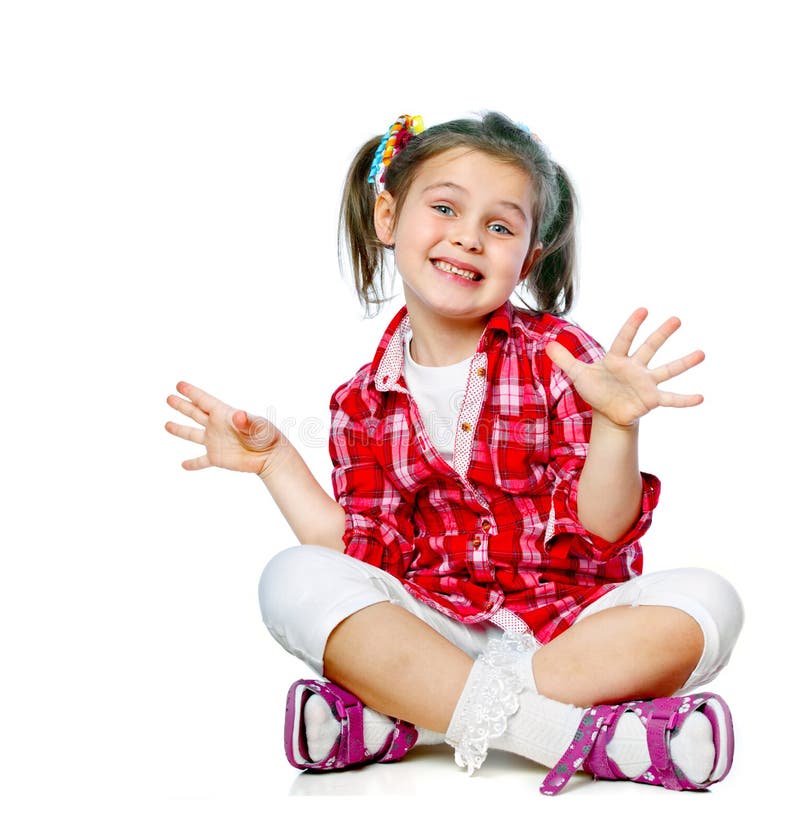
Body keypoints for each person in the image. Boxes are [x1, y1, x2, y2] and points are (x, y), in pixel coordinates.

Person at [165, 112, 744, 794]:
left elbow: (605, 530)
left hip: (564, 632)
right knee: (290, 578)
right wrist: (275, 463)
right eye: (444, 207)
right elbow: (358, 554)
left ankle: (412, 719)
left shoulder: (564, 359)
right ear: (387, 216)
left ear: (527, 259)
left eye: (500, 227)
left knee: (709, 603)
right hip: (435, 628)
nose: (469, 237)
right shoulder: (361, 401)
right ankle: (580, 740)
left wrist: (618, 427)